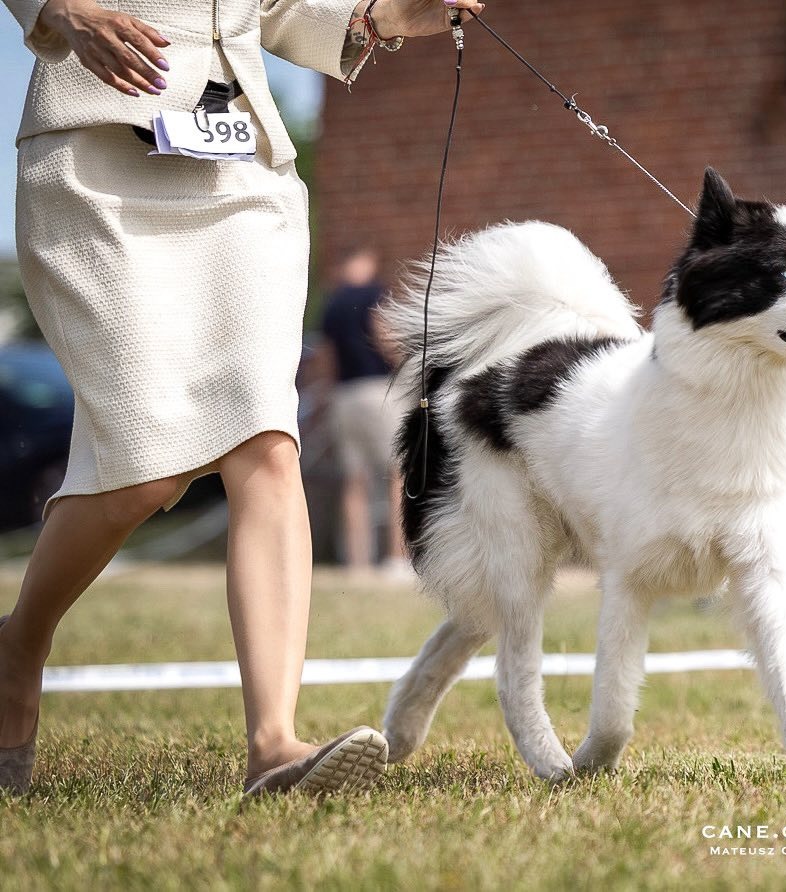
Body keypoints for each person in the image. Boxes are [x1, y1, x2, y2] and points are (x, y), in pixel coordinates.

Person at [0, 0, 484, 797]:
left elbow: (278, 8)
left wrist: (382, 15)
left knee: (266, 439)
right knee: (147, 466)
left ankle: (274, 745)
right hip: (98, 152)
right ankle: (19, 647)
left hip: (242, 167)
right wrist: (58, 10)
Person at [318, 248, 410, 574]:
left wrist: (331, 395)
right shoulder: (376, 293)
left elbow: (326, 358)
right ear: (367, 262)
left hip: (343, 396)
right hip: (379, 391)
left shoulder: (331, 303)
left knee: (353, 481)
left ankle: (357, 563)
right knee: (398, 474)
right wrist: (410, 371)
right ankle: (397, 560)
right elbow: (384, 337)